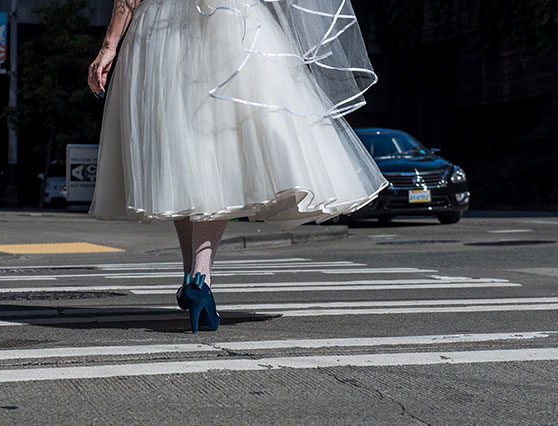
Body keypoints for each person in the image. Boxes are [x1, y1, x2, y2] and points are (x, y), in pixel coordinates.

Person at [88, 1, 387, 333]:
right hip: (229, 22)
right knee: (218, 150)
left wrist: (109, 46)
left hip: (160, 30)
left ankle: (193, 276)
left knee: (179, 154)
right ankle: (199, 277)